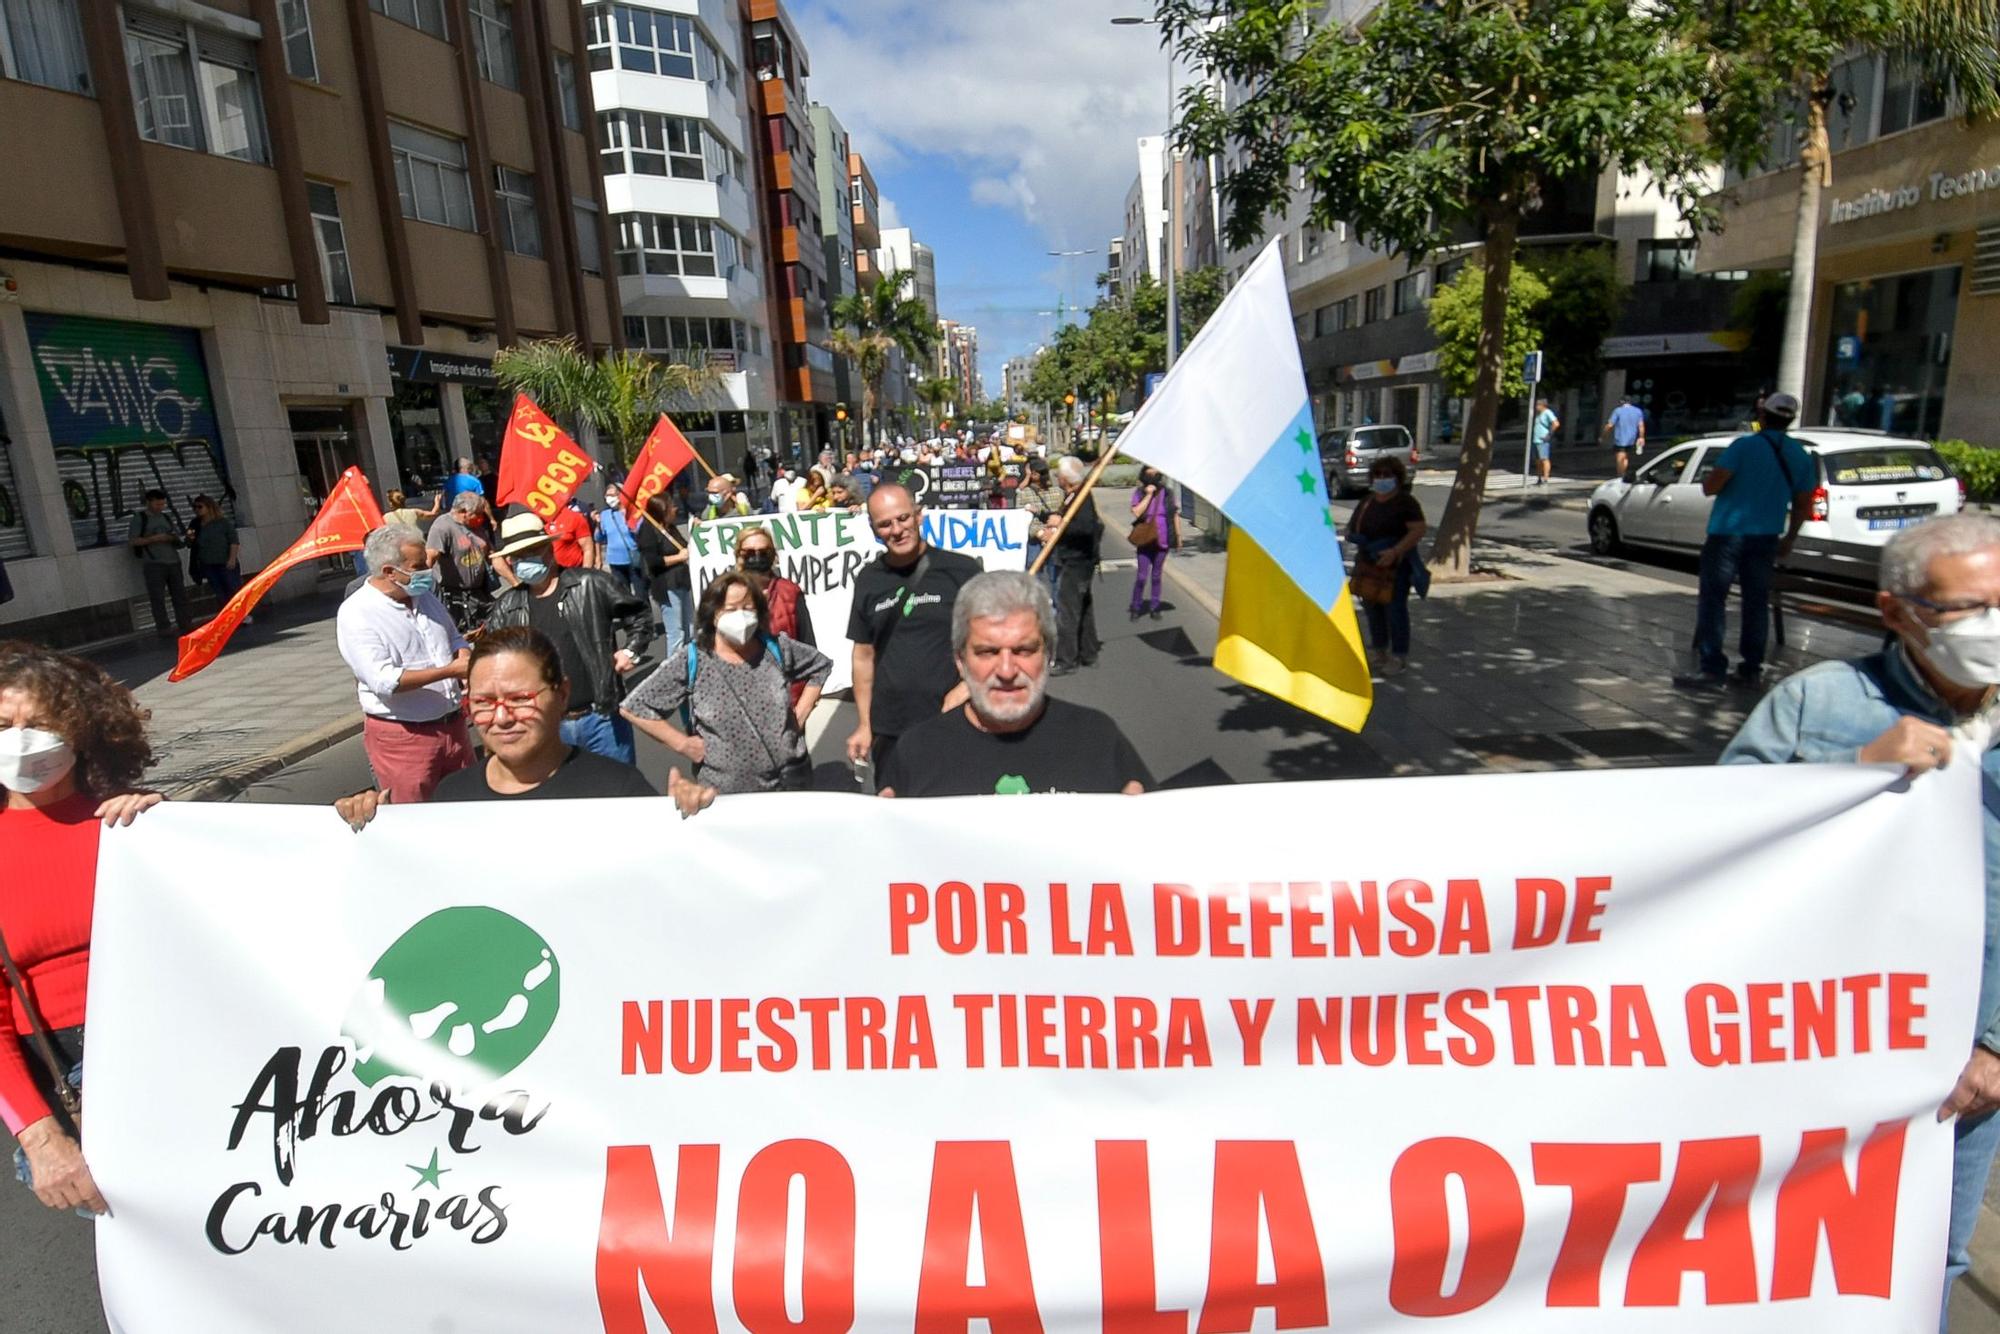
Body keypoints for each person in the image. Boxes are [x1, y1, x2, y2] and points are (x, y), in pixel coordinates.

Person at [1718, 514, 2000, 1329]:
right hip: (1816, 1040)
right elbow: (1717, 837)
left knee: (1931, 1249)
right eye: (1966, 609)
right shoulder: (1818, 703)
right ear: (1895, 612)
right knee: (1787, 1241)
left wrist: (1994, 1049)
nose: (1990, 627)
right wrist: (1854, 775)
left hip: (1963, 1068)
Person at [0, 643, 161, 1218]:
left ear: (83, 730)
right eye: (4, 724)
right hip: (70, 1076)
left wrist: (170, 831)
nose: (19, 737)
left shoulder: (133, 827)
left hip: (166, 1052)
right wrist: (41, 1137)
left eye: (39, 723)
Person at [336, 627, 715, 823]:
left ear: (562, 694)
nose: (501, 718)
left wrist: (690, 821)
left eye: (520, 699)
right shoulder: (453, 796)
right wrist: (367, 827)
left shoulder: (619, 791)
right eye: (483, 703)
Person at [878, 572, 1150, 797]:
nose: (1007, 671)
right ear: (960, 661)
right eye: (988, 652)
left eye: (1024, 651)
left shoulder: (1098, 738)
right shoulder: (917, 752)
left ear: (1049, 655)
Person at [622, 572, 832, 793]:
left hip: (791, 784)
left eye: (748, 608)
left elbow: (821, 666)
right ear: (713, 614)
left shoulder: (777, 648)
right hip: (726, 793)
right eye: (731, 609)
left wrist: (801, 713)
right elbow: (634, 707)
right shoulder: (694, 658)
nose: (740, 616)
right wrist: (683, 744)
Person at [1675, 391, 1815, 690]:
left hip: (1728, 534)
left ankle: (1712, 669)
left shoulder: (1744, 447)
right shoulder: (1800, 456)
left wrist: (1711, 479)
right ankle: (1751, 669)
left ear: (1762, 416)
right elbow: (1804, 505)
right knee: (1756, 602)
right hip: (1766, 537)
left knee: (1714, 599)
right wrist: (1789, 539)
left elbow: (1711, 487)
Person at [486, 513, 652, 765]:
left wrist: (630, 651)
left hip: (602, 718)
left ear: (549, 548)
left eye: (532, 550)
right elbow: (492, 661)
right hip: (545, 725)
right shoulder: (507, 607)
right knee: (562, 798)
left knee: (618, 794)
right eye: (517, 556)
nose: (524, 560)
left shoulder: (590, 584)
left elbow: (639, 614)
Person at [844, 483, 982, 775]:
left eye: (903, 518)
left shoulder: (962, 570)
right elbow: (863, 656)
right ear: (873, 529)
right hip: (891, 727)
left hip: (954, 719)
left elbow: (991, 642)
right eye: (885, 524)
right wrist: (865, 724)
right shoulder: (869, 579)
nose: (896, 529)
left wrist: (966, 687)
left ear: (919, 516)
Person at [336, 524, 474, 803]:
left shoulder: (425, 598)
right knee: (414, 818)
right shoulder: (357, 613)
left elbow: (453, 636)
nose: (427, 569)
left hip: (453, 726)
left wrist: (464, 654)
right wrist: (450, 671)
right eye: (418, 565)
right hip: (406, 736)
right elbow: (385, 681)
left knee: (468, 804)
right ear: (389, 571)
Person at [1345, 455, 1430, 675]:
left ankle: (1398, 655)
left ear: (1397, 478)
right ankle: (1379, 650)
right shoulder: (1367, 502)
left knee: (1395, 610)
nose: (1382, 479)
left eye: (1387, 475)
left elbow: (1418, 529)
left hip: (1395, 566)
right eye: (1378, 474)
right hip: (1369, 565)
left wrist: (1394, 551)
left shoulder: (1405, 503)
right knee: (1372, 609)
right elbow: (1351, 529)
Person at [1044, 455, 1102, 676]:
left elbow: (1086, 527)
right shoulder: (1072, 497)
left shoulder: (1082, 498)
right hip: (1075, 558)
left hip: (1078, 561)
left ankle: (1066, 659)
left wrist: (1062, 527)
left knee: (1068, 609)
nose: (1056, 477)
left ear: (1067, 478)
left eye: (1059, 474)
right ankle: (1088, 652)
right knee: (1084, 607)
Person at [425, 493, 494, 632]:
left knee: (489, 633)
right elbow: (430, 558)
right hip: (456, 597)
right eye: (477, 514)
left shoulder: (477, 527)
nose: (481, 518)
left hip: (480, 593)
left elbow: (492, 554)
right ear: (463, 512)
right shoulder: (442, 526)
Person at [735, 525, 815, 646]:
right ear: (739, 555)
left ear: (772, 555)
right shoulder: (725, 593)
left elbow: (808, 645)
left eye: (763, 552)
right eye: (750, 552)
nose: (757, 557)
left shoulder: (790, 592)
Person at [126, 489, 190, 639]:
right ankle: (163, 626)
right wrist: (154, 539)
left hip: (172, 560)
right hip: (154, 563)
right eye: (157, 503)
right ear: (148, 502)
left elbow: (175, 536)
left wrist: (174, 538)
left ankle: (185, 623)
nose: (160, 507)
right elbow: (133, 541)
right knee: (157, 596)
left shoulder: (166, 517)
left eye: (162, 504)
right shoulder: (140, 518)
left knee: (180, 594)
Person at [635, 495, 693, 658]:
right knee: (676, 633)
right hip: (667, 585)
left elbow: (684, 546)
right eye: (671, 506)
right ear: (662, 511)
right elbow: (653, 561)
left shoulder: (670, 527)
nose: (676, 509)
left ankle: (691, 666)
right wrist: (679, 558)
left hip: (682, 581)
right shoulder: (648, 530)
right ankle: (674, 673)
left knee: (689, 628)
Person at [1128, 466, 1178, 621]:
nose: (1153, 476)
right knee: (1142, 576)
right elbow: (1136, 512)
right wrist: (1148, 495)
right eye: (1149, 473)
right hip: (1145, 540)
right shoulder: (1139, 493)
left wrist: (1178, 536)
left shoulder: (1168, 493)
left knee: (1156, 576)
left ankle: (1155, 607)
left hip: (1162, 540)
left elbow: (1174, 514)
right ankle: (1136, 606)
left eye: (1156, 473)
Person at [1017, 457, 1066, 593]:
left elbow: (1061, 514)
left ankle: (1057, 609)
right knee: (1034, 573)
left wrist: (1052, 532)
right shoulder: (1025, 493)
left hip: (1053, 538)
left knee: (1055, 575)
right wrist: (1040, 533)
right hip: (1035, 539)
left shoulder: (1058, 492)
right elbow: (1022, 518)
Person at [185, 494, 242, 609]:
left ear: (209, 507)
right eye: (194, 507)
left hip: (224, 562)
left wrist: (232, 558)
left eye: (200, 507)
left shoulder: (222, 523)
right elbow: (189, 541)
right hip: (208, 564)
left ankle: (240, 613)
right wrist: (190, 537)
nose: (196, 510)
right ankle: (226, 614)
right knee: (219, 591)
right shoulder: (194, 524)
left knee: (232, 588)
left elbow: (233, 541)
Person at [596, 485, 646, 599]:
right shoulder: (605, 515)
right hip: (615, 561)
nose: (610, 498)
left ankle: (644, 615)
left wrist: (629, 521)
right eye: (607, 495)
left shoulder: (632, 511)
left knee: (641, 594)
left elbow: (639, 532)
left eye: (613, 495)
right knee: (623, 595)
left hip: (633, 559)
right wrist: (598, 525)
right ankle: (628, 617)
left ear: (620, 496)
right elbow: (599, 538)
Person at [546, 496, 596, 570]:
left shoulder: (575, 517)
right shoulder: (539, 520)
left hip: (573, 571)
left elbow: (588, 549)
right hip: (549, 572)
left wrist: (586, 573)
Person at [1604, 395, 1647, 478]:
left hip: (1620, 438)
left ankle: (1620, 476)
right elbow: (1641, 425)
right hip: (1632, 438)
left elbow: (1610, 425)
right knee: (1625, 457)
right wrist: (1641, 437)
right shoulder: (1638, 411)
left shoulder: (1618, 411)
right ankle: (1623, 473)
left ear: (1621, 402)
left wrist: (1604, 435)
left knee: (1620, 458)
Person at [1530, 398, 1559, 485]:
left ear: (1543, 405)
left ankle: (1545, 478)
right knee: (1537, 460)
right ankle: (1539, 478)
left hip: (1542, 440)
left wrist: (1549, 435)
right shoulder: (1539, 414)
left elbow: (1556, 423)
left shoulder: (1547, 412)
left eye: (1538, 405)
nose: (1536, 407)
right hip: (1536, 439)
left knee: (1544, 459)